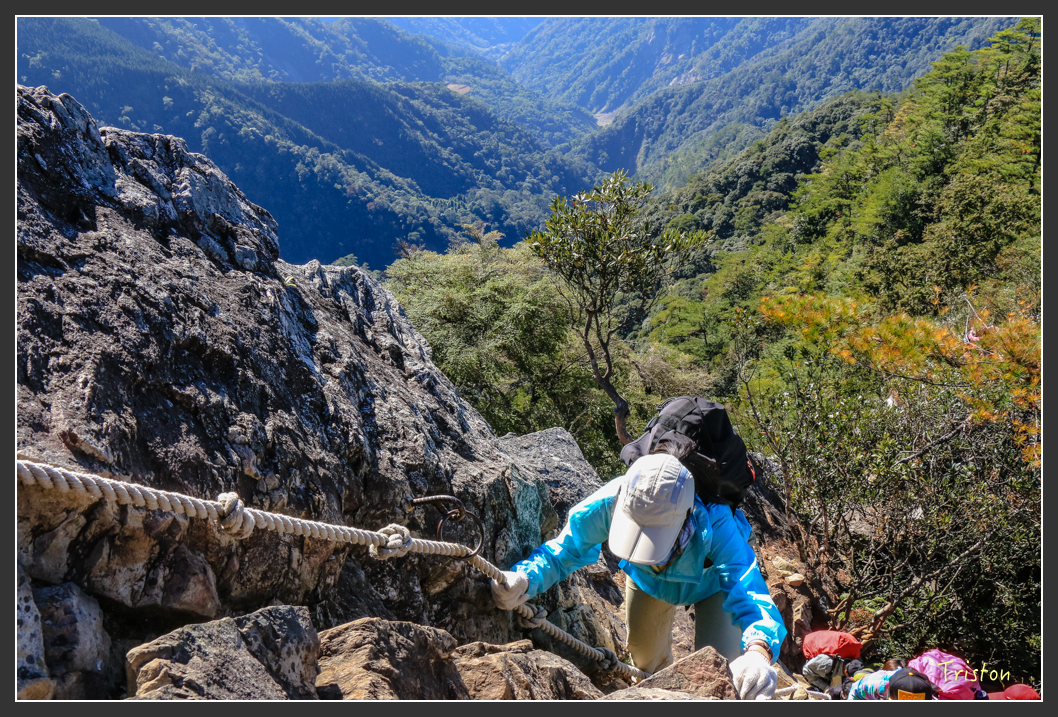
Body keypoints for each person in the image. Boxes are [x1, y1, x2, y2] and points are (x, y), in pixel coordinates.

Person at [490, 451, 787, 700]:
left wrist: (759, 652)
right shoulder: (609, 502)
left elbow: (751, 594)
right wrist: (524, 579)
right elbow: (563, 551)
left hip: (713, 588)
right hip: (649, 583)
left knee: (729, 676)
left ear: (686, 518)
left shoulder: (717, 524)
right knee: (646, 665)